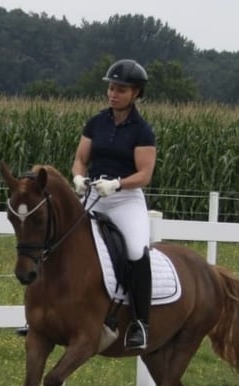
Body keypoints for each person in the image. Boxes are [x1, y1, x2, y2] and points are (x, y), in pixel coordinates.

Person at [72, 58, 157, 350]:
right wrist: (79, 177)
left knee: (135, 250)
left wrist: (118, 184)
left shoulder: (141, 131)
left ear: (135, 93)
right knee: (62, 241)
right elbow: (81, 158)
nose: (113, 93)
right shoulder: (96, 122)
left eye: (121, 89)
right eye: (111, 87)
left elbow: (145, 174)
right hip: (94, 193)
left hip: (124, 199)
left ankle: (140, 324)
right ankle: (42, 316)